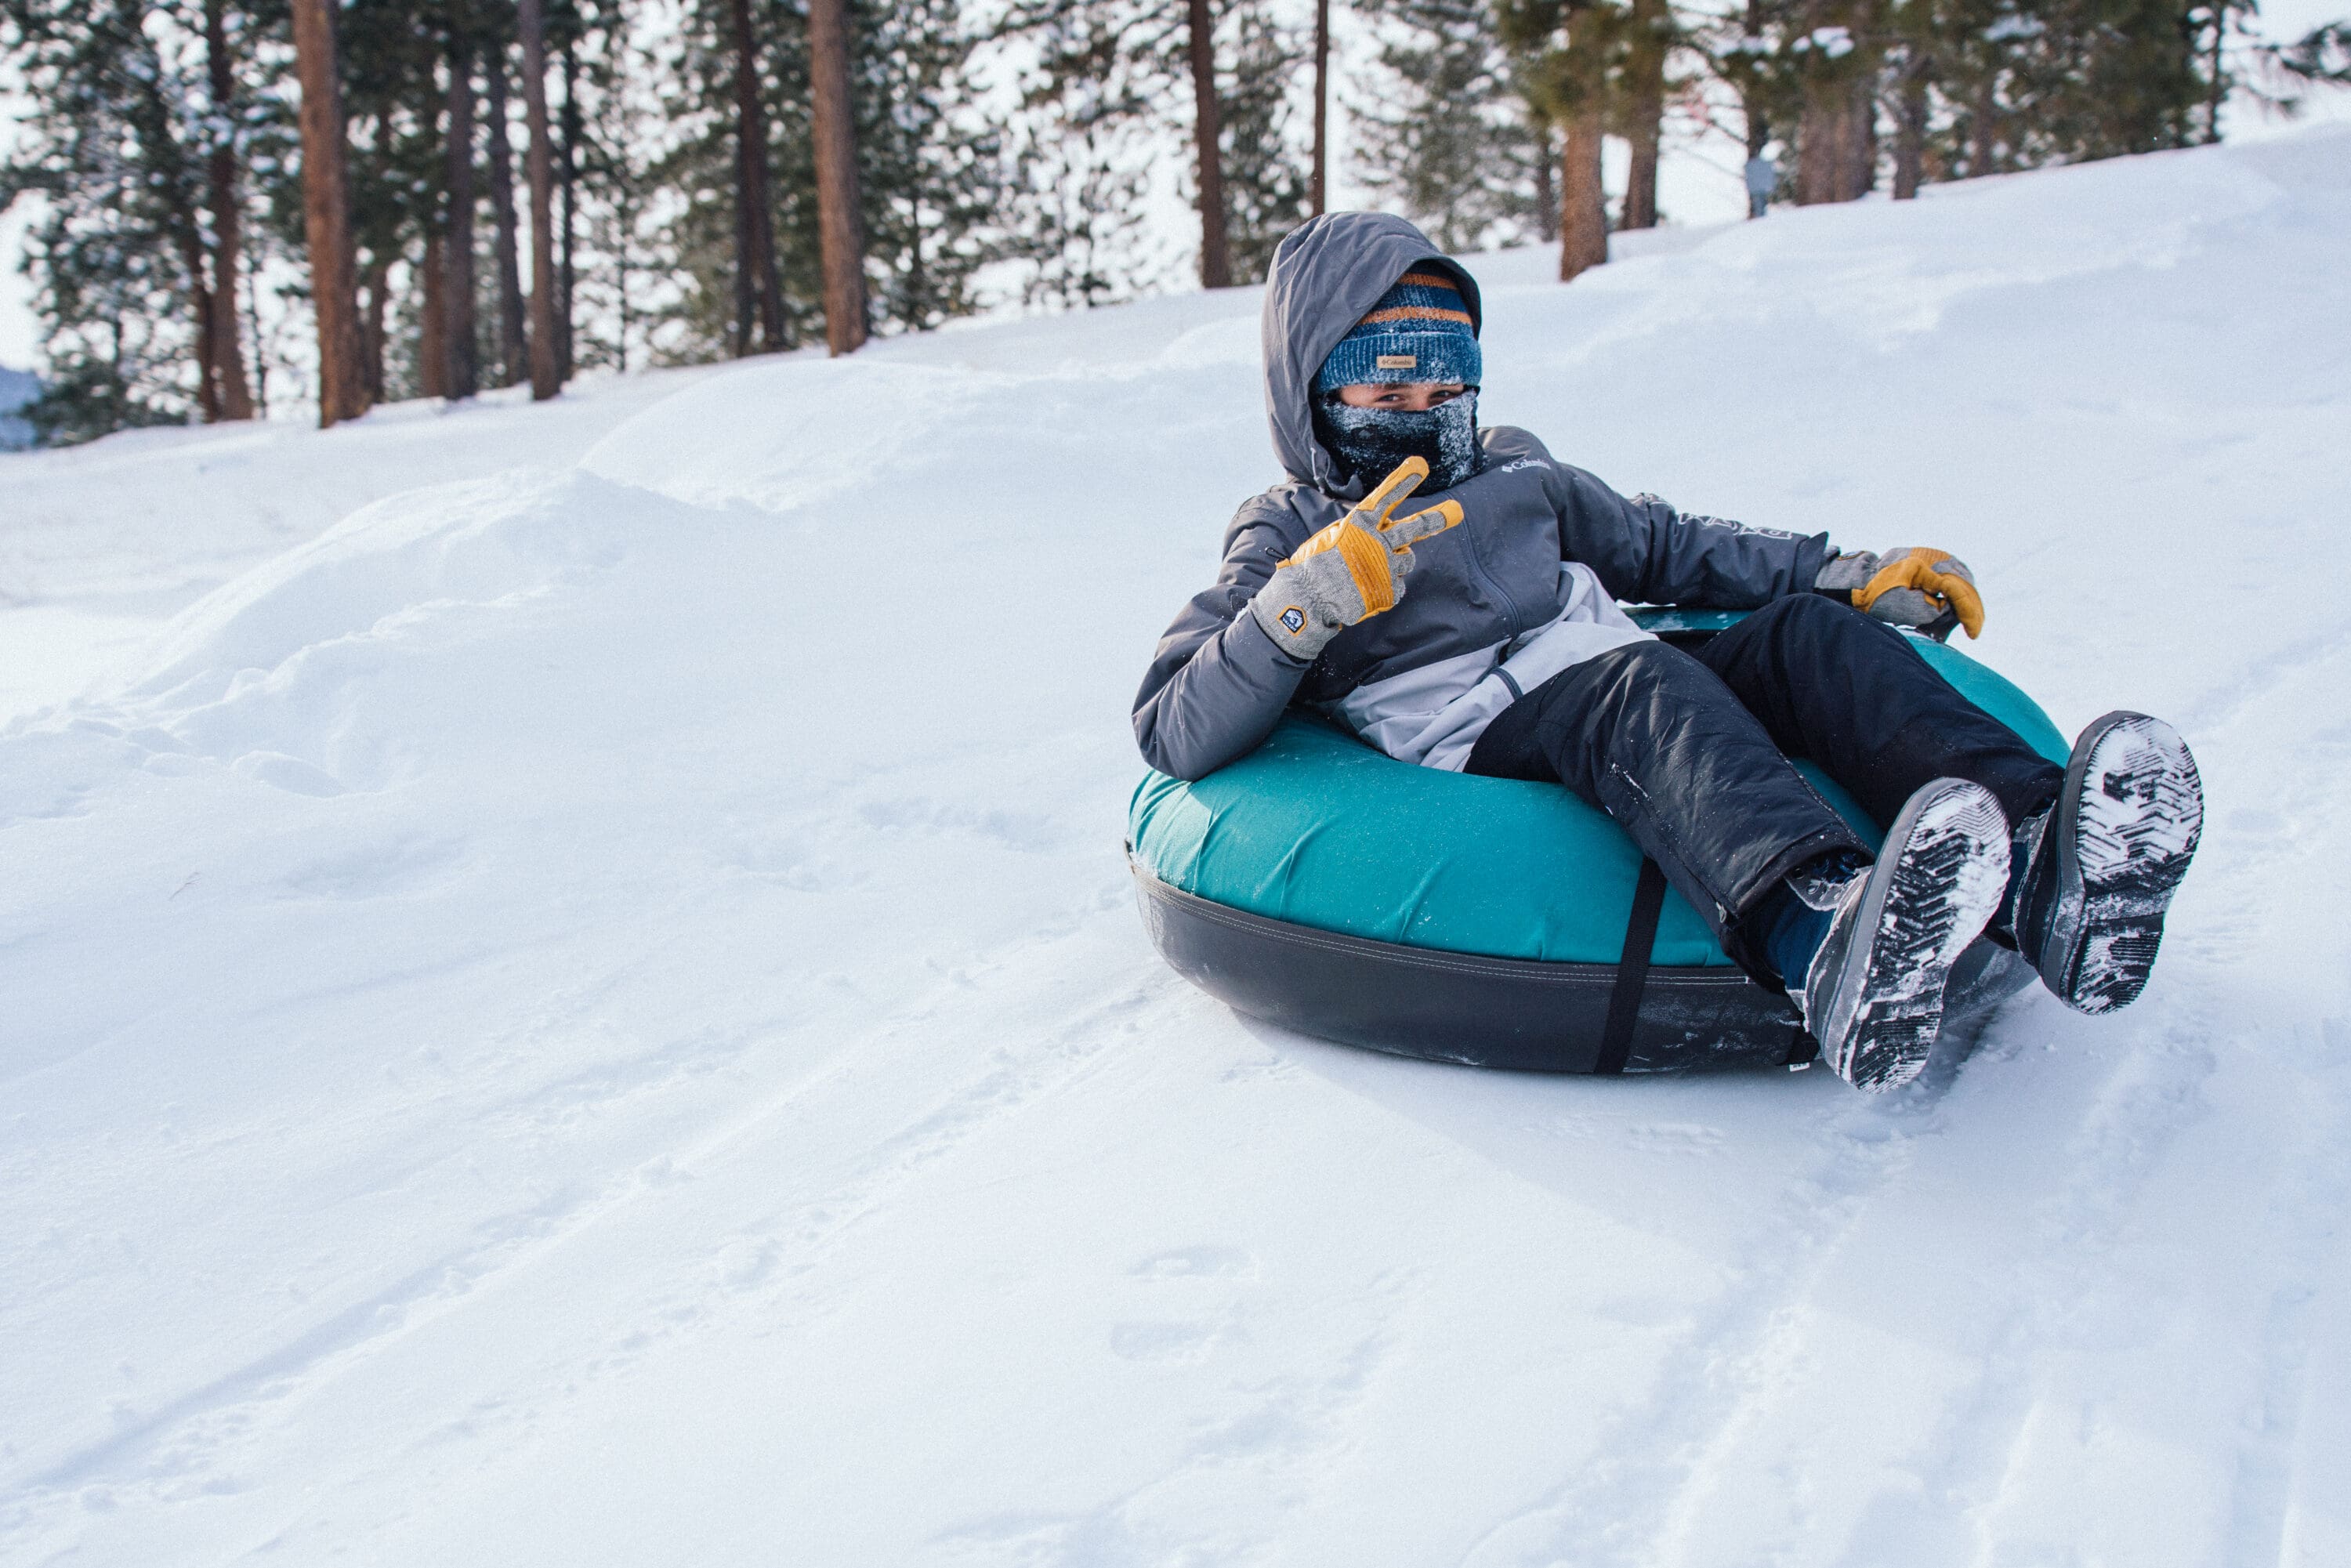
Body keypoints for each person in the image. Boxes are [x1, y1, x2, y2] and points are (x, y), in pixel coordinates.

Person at [1132, 213, 2204, 1092]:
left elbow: (1665, 543)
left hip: (1612, 662)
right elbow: (1173, 720)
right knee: (1637, 687)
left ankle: (2044, 865)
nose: (1424, 416)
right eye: (1385, 391)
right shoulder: (1288, 527)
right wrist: (1299, 607)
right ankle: (1815, 938)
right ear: (1312, 393)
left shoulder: (1518, 472)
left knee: (1801, 640)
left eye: (1444, 387)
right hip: (1481, 730)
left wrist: (1840, 571)